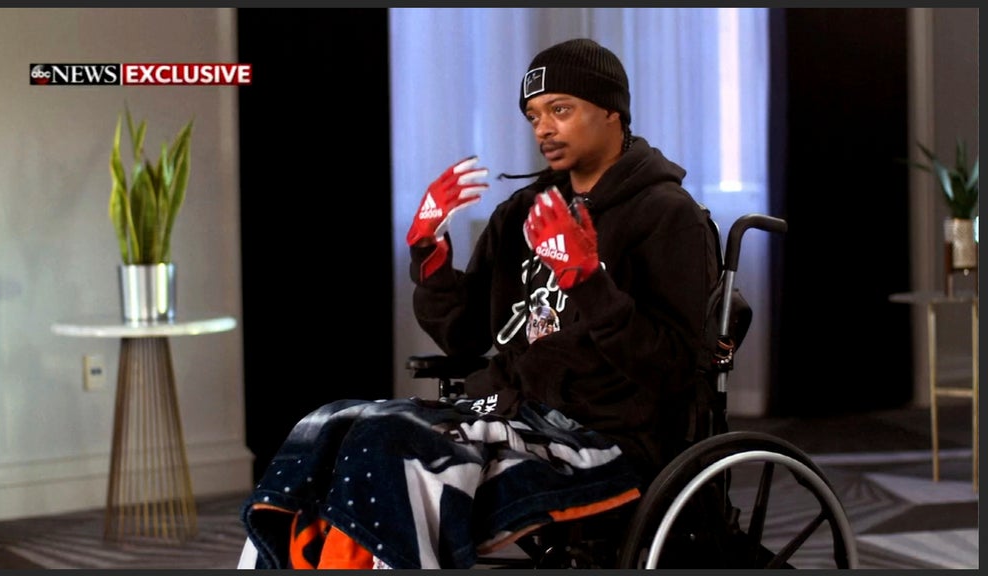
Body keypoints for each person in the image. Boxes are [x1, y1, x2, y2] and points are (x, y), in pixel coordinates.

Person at [241, 37, 718, 570]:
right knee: (331, 425)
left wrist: (587, 281)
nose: (543, 128)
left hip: (606, 433)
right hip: (509, 409)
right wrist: (429, 256)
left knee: (389, 441)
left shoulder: (668, 214)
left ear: (613, 112)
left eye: (560, 110)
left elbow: (673, 369)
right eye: (534, 115)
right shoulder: (525, 212)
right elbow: (464, 336)